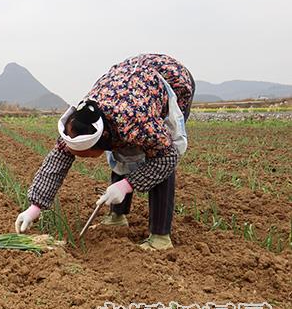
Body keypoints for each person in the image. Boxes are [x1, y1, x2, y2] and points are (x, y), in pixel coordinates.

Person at [15, 54, 195, 251]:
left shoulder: (136, 123)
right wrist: (34, 208)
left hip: (172, 80)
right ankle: (117, 216)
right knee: (122, 153)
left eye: (84, 154)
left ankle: (160, 237)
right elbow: (58, 160)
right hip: (129, 83)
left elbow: (167, 158)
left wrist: (126, 185)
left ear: (101, 142)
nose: (78, 157)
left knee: (157, 154)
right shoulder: (80, 121)